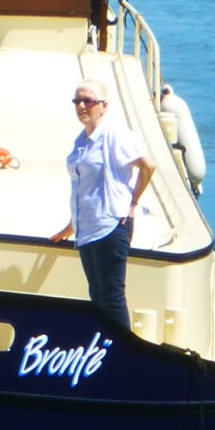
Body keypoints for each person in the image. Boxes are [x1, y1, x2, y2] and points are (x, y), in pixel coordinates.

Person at [53, 85, 154, 328]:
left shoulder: (114, 134)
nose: (81, 106)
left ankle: (124, 352)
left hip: (110, 225)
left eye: (88, 101)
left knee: (111, 297)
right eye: (77, 101)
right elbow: (84, 187)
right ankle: (108, 348)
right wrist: (71, 225)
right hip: (87, 229)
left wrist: (132, 203)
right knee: (97, 296)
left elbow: (148, 166)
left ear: (104, 106)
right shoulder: (82, 140)